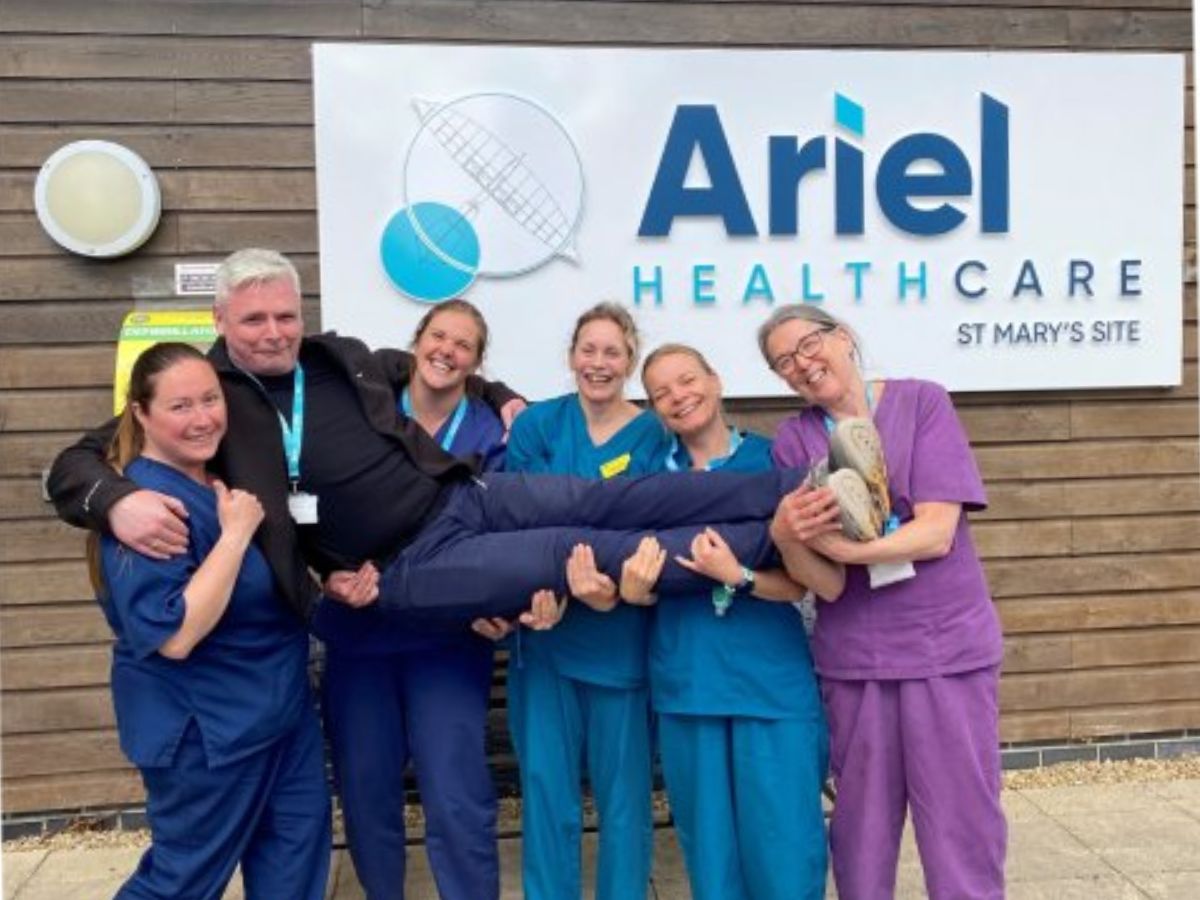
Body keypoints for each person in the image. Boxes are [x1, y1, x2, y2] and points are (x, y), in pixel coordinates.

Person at [47, 249, 794, 633]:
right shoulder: (200, 396)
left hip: (464, 495)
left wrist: (500, 395)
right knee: (585, 548)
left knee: (612, 498)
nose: (274, 332)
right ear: (220, 320)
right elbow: (71, 466)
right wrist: (113, 501)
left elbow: (440, 364)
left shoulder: (337, 357)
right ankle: (781, 538)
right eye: (254, 320)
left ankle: (800, 489)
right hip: (409, 566)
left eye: (285, 315)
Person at [761, 304, 1007, 900]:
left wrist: (848, 548)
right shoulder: (793, 441)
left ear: (843, 337)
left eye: (808, 345)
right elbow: (826, 583)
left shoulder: (922, 402)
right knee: (861, 831)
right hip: (857, 661)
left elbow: (937, 533)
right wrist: (786, 538)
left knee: (961, 821)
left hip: (945, 650)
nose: (802, 364)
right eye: (783, 361)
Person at [315, 300, 559, 899]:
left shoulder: (491, 432)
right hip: (359, 633)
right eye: (439, 336)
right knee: (366, 787)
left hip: (446, 640)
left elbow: (505, 533)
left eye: (463, 344)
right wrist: (323, 574)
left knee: (456, 790)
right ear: (417, 340)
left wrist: (504, 608)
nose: (446, 351)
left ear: (477, 362)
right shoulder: (365, 405)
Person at [89, 343, 330, 899]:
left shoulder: (217, 478)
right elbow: (175, 634)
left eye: (210, 399)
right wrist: (237, 534)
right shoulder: (148, 508)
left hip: (281, 714)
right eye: (180, 406)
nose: (202, 418)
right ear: (141, 413)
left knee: (294, 864)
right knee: (182, 881)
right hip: (209, 733)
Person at [627, 343, 840, 900]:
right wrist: (633, 591)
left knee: (786, 846)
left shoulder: (773, 462)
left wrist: (738, 574)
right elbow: (633, 578)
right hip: (689, 685)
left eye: (687, 379)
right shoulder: (647, 479)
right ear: (654, 409)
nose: (679, 396)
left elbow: (800, 582)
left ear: (716, 380)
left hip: (770, 684)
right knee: (711, 853)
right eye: (661, 392)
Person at [498, 303, 668, 900]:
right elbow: (518, 523)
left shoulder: (655, 435)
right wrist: (544, 595)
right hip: (546, 635)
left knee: (625, 800)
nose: (599, 363)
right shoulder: (537, 426)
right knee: (547, 793)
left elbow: (652, 529)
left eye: (612, 352)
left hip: (621, 644)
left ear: (630, 360)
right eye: (588, 350)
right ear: (572, 355)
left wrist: (611, 590)